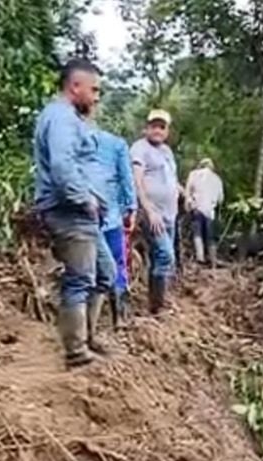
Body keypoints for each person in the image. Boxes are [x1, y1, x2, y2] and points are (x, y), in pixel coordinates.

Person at [32, 59, 114, 367]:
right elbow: (63, 166)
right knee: (80, 279)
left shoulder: (72, 119)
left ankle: (88, 338)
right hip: (70, 211)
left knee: (105, 275)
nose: (96, 97)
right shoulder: (61, 118)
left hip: (84, 215)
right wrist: (85, 199)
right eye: (94, 90)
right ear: (75, 86)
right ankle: (76, 353)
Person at [87, 117, 138, 327]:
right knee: (117, 263)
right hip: (109, 217)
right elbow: (127, 179)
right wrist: (131, 208)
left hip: (80, 218)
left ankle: (87, 324)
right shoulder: (116, 144)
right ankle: (119, 316)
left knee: (86, 266)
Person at [130, 109, 180, 315]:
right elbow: (137, 180)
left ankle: (157, 302)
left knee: (163, 258)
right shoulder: (140, 148)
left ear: (167, 131)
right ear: (146, 128)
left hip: (170, 214)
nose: (158, 130)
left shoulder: (167, 152)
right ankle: (157, 307)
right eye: (154, 126)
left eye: (162, 127)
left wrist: (185, 194)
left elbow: (172, 180)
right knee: (165, 256)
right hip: (153, 214)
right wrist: (149, 209)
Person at [185, 157, 224, 267]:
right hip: (210, 211)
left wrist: (188, 204)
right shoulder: (217, 179)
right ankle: (213, 260)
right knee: (210, 236)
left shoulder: (193, 174)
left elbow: (188, 191)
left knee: (197, 233)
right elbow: (221, 198)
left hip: (197, 208)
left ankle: (200, 257)